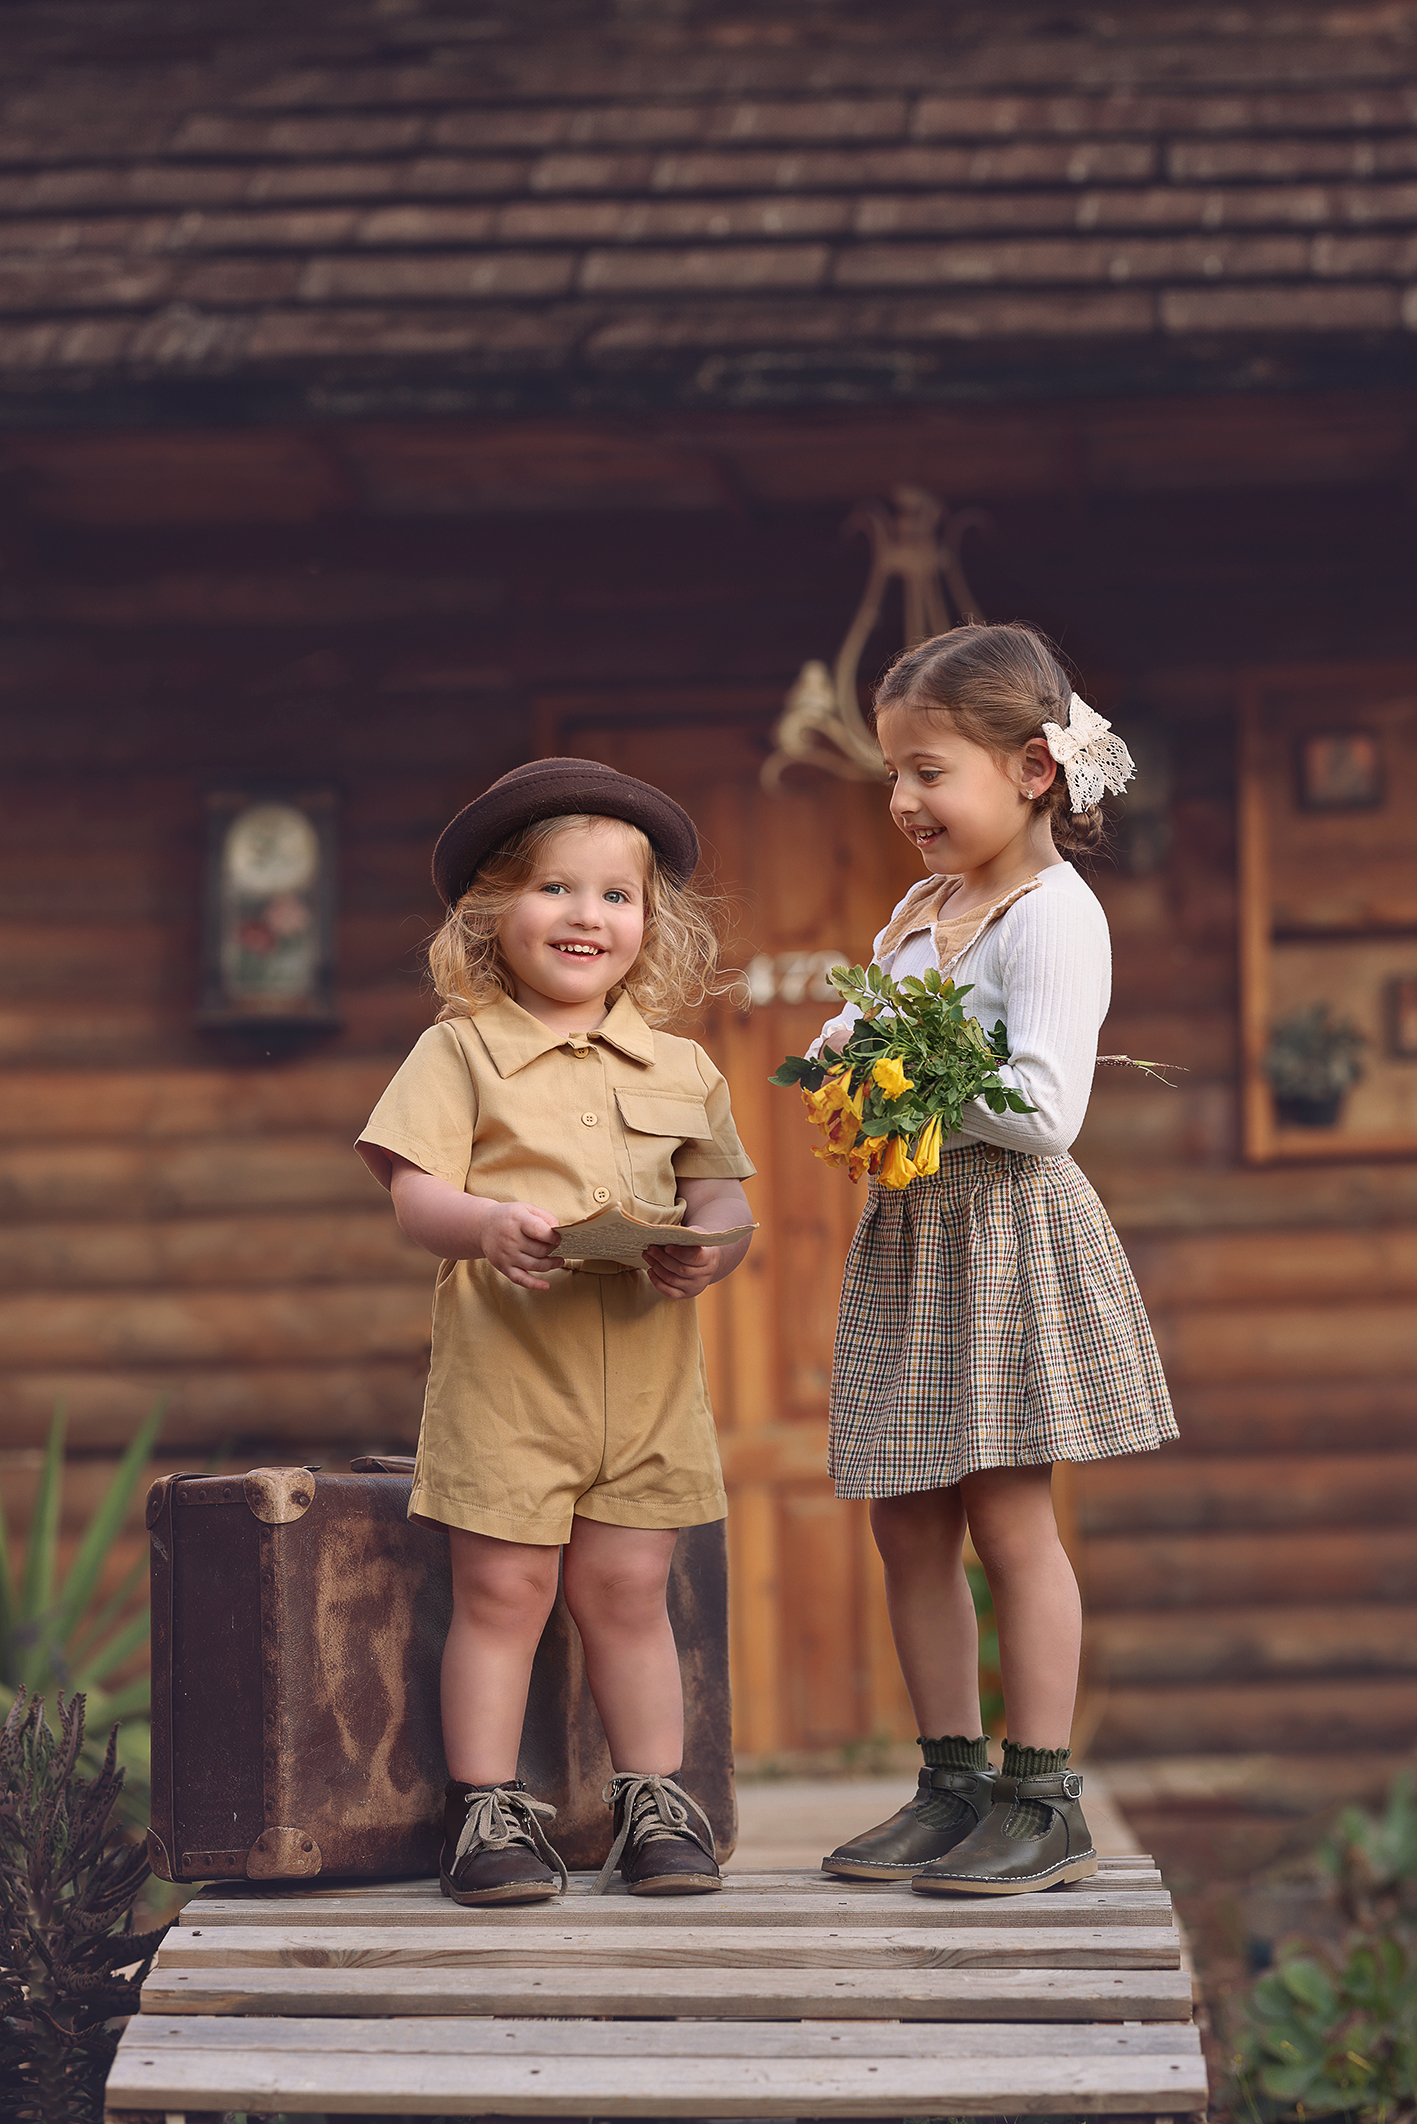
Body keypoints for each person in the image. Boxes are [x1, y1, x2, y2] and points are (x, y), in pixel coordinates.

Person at [815, 624, 1177, 1897]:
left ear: (1031, 769)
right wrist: (845, 1059)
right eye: (892, 776)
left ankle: (1042, 1795)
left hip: (1004, 1230)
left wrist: (897, 1081)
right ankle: (950, 1784)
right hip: (916, 1234)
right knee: (905, 1522)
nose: (903, 801)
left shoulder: (1052, 916)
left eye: (927, 771)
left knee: (1007, 1519)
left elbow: (1041, 1111)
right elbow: (853, 1027)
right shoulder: (921, 908)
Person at [356, 759, 754, 1906]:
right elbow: (412, 1194)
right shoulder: (459, 1049)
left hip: (645, 1388)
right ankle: (485, 1813)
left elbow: (723, 1203)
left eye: (615, 896)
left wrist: (711, 1249)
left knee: (634, 1594)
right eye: (554, 890)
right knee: (503, 1595)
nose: (586, 915)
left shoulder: (682, 1067)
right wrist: (485, 1225)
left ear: (649, 925)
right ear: (493, 915)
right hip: (506, 1384)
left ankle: (656, 1804)